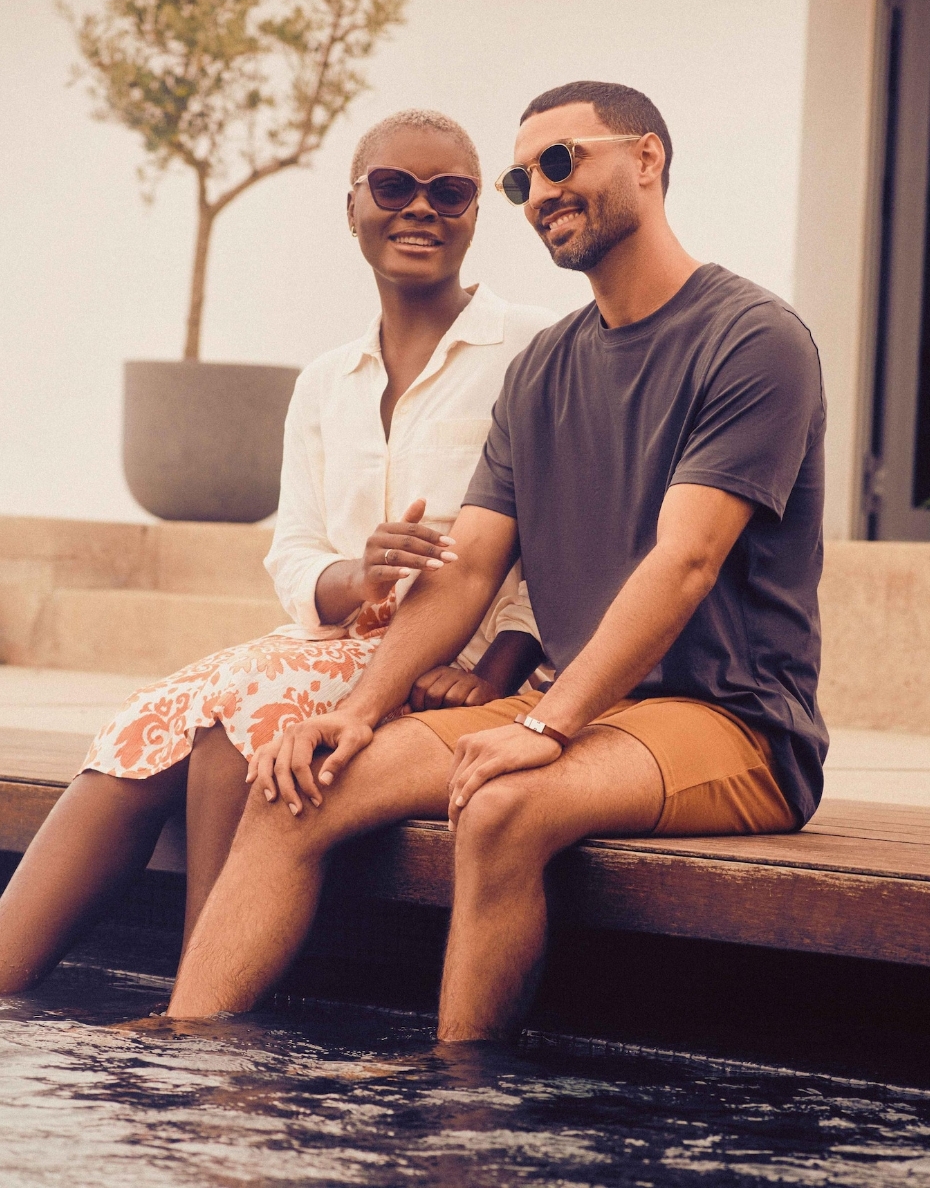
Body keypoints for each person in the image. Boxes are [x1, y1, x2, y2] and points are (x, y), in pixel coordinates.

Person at [161, 80, 829, 1039]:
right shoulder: (545, 366)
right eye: (522, 178)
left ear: (648, 160)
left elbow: (684, 562)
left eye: (563, 161)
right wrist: (352, 715)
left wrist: (549, 725)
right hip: (583, 704)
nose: (541, 189)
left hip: (733, 724)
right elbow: (467, 568)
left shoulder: (752, 339)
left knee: (502, 807)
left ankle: (462, 1123)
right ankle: (188, 1082)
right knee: (295, 785)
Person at [0, 109, 555, 994]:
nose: (420, 209)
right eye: (392, 187)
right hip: (335, 642)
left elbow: (558, 543)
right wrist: (358, 575)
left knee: (244, 714)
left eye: (448, 192)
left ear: (473, 215)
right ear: (352, 209)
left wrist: (498, 664)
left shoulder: (533, 349)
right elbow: (295, 552)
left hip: (458, 658)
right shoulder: (325, 381)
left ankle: (199, 1012)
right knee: (140, 722)